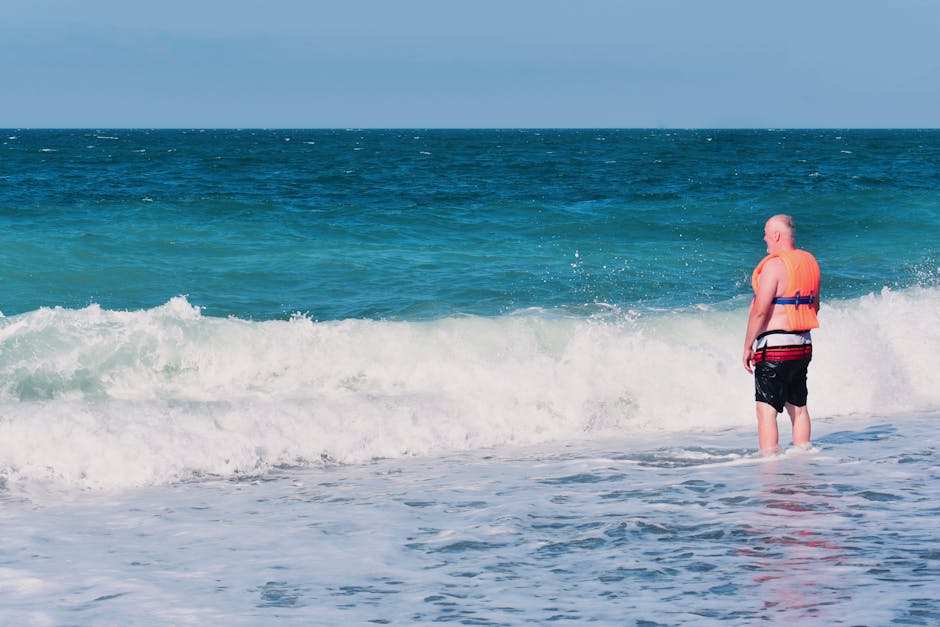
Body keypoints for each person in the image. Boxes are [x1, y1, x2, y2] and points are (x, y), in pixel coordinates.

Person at [743, 215, 820, 454]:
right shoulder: (810, 262)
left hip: (775, 347)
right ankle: (804, 456)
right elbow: (815, 306)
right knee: (798, 406)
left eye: (766, 233)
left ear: (776, 235)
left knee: (766, 409)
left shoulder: (773, 266)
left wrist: (747, 346)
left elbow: (760, 311)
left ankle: (769, 463)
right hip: (803, 344)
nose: (764, 238)